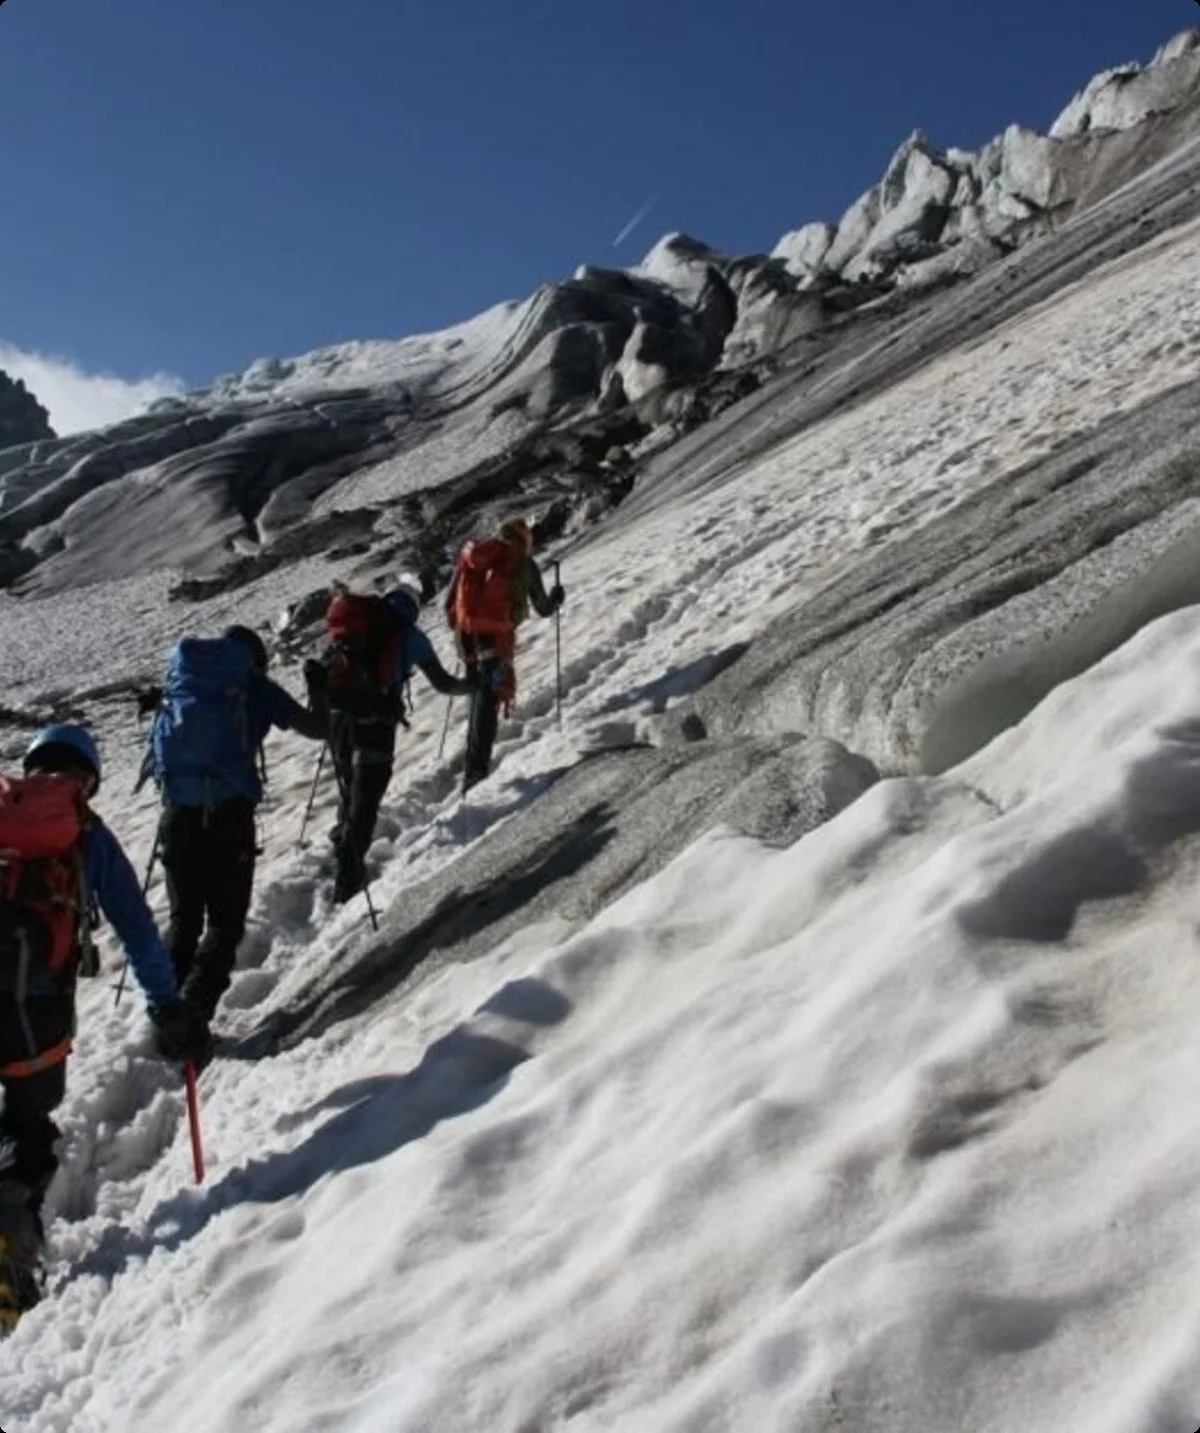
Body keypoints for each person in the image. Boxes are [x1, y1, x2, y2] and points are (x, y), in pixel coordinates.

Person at [0, 724, 205, 1323]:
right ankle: (8, 1266)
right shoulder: (85, 834)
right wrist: (168, 1006)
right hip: (35, 1018)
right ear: (86, 778)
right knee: (27, 1130)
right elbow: (138, 930)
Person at [145, 624, 327, 1030]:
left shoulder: (181, 684)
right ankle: (192, 1016)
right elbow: (319, 728)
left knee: (183, 922)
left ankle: (164, 1018)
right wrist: (320, 688)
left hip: (177, 816)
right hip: (229, 818)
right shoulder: (253, 685)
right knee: (224, 926)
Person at [308, 575, 471, 904]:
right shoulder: (410, 636)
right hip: (376, 721)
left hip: (340, 717)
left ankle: (342, 840)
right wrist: (473, 684)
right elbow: (442, 683)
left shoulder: (353, 627)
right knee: (366, 797)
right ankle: (348, 879)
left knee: (349, 781)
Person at [445, 516, 564, 793]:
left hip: (467, 639)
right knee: (488, 704)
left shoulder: (474, 559)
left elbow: (449, 604)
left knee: (478, 698)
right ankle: (475, 776)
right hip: (497, 639)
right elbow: (543, 607)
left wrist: (463, 627)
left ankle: (473, 767)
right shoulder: (523, 563)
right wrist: (556, 597)